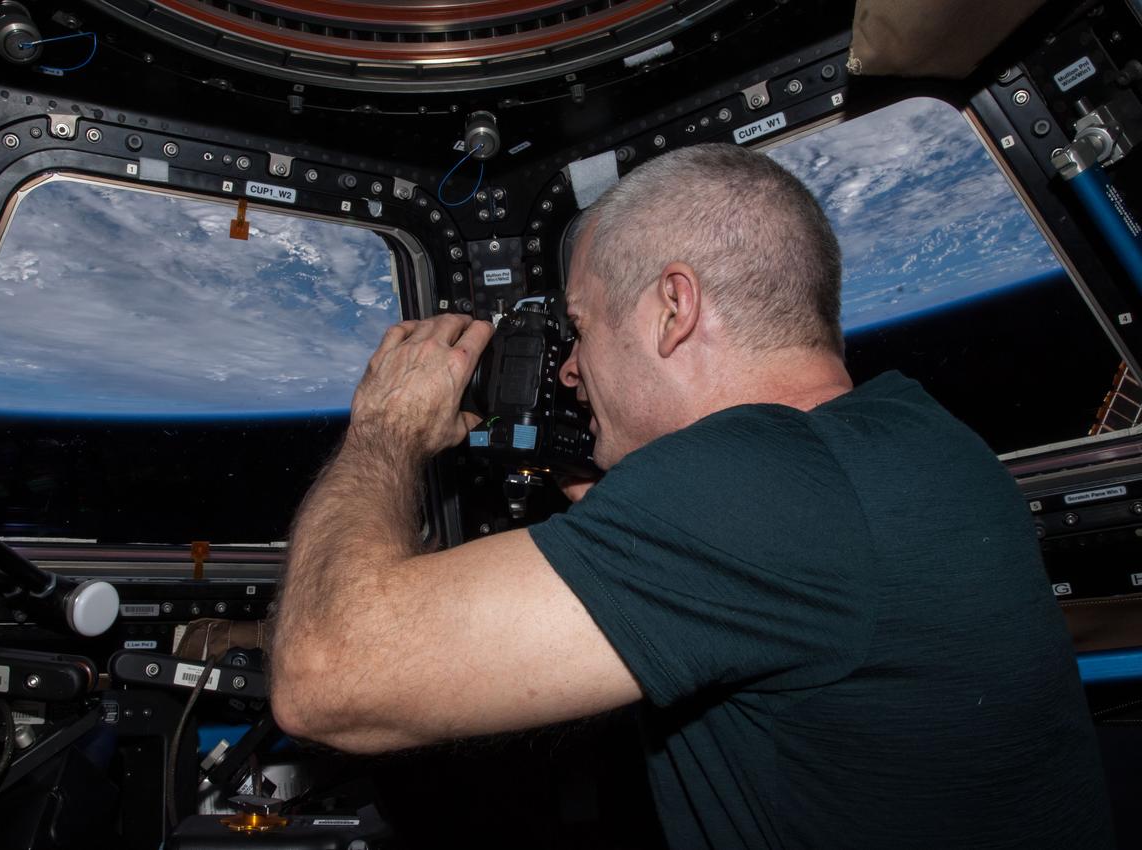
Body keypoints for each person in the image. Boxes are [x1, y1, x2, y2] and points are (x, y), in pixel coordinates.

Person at [270, 143, 1112, 848]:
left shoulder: (754, 484)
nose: (567, 368)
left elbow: (325, 675)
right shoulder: (906, 433)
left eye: (584, 326)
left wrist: (383, 432)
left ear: (673, 307)